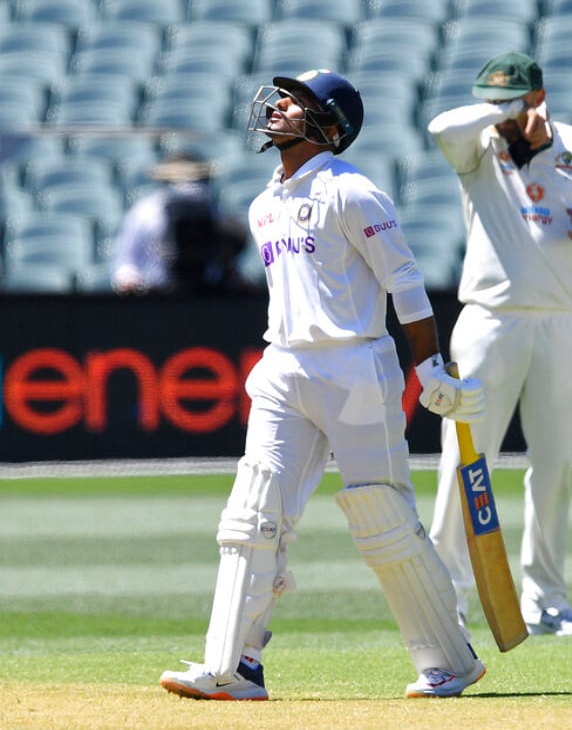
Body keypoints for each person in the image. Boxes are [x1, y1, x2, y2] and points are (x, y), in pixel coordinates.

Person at [159, 68, 489, 699]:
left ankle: (450, 659)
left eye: (297, 101)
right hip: (283, 366)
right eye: (282, 98)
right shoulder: (263, 203)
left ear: (329, 125)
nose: (279, 107)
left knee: (384, 515)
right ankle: (235, 665)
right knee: (254, 514)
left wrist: (430, 371)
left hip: (355, 366)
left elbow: (407, 289)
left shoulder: (353, 192)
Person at [426, 51, 572, 637]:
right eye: (491, 102)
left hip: (562, 321)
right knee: (466, 465)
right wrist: (500, 112)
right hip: (489, 321)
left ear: (539, 98)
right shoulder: (478, 147)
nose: (498, 115)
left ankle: (546, 600)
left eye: (511, 101)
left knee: (554, 465)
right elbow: (441, 127)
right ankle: (448, 601)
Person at [110, 151, 247, 295]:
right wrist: (132, 284)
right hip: (156, 295)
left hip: (206, 294)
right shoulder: (145, 213)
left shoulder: (216, 212)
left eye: (195, 179)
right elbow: (125, 262)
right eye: (181, 179)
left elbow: (230, 254)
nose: (189, 186)